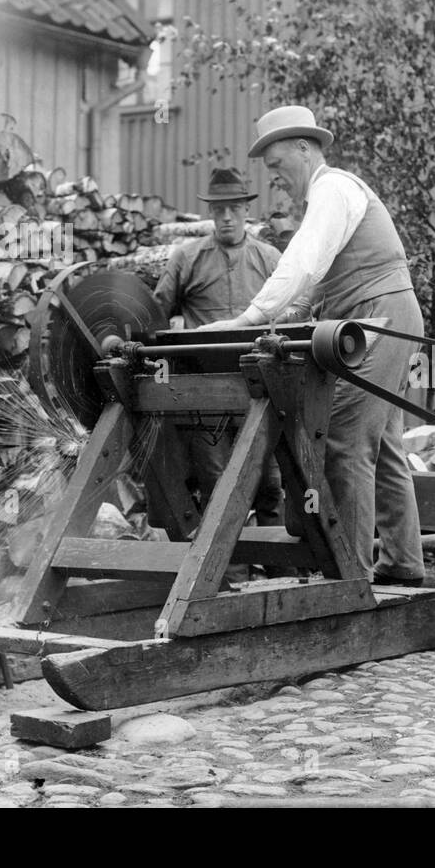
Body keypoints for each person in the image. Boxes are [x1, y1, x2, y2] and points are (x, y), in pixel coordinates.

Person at [199, 106, 426, 586]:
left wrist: (249, 317)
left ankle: (352, 577)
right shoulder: (328, 198)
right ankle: (403, 563)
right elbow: (313, 290)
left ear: (304, 148)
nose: (277, 180)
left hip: (378, 316)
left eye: (278, 166)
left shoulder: (333, 189)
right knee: (382, 444)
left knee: (344, 440)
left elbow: (302, 263)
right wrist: (272, 322)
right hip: (375, 316)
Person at [153, 166, 307, 578]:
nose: (226, 217)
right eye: (219, 209)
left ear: (245, 211)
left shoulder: (269, 258)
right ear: (210, 213)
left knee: (271, 484)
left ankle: (280, 575)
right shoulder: (186, 258)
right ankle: (228, 577)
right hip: (205, 397)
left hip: (263, 389)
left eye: (234, 208)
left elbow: (294, 312)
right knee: (219, 486)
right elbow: (155, 313)